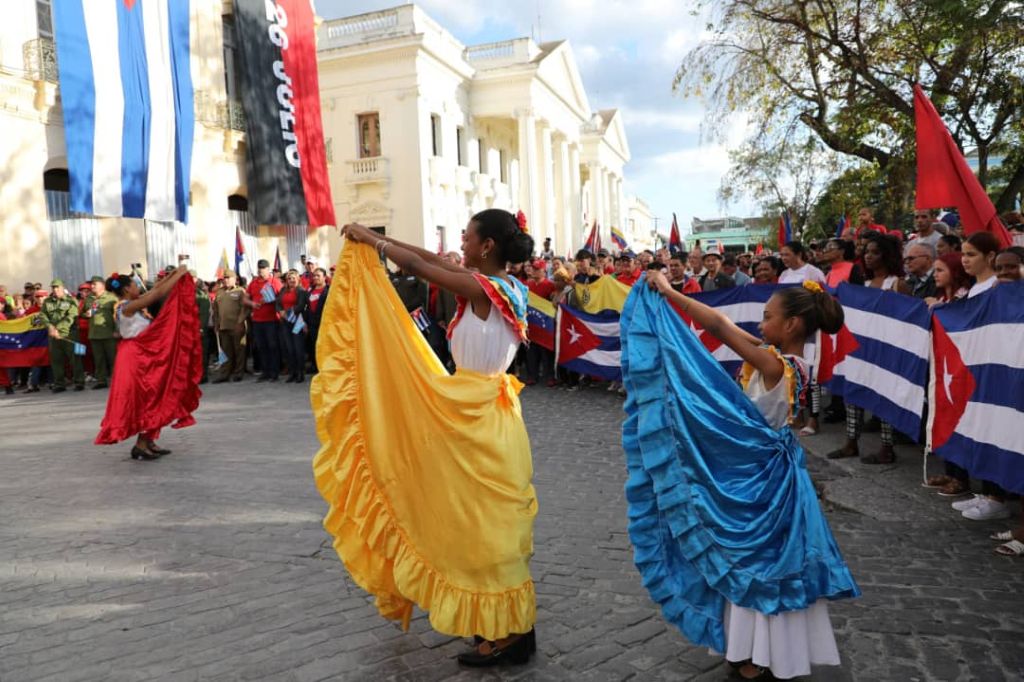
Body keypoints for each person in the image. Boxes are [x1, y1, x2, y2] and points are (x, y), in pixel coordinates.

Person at [315, 211, 537, 668]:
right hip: (481, 412)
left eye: (468, 236)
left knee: (484, 523)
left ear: (487, 246)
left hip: (477, 416)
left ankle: (510, 633)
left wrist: (373, 241)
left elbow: (420, 267)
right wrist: (377, 240)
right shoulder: (504, 285)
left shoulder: (485, 289)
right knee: (476, 519)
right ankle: (506, 624)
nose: (462, 242)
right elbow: (431, 259)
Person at [628, 273, 859, 681]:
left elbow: (719, 327)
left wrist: (668, 291)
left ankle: (759, 654)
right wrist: (671, 296)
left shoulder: (777, 365)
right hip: (766, 474)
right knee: (754, 558)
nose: (760, 323)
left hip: (762, 480)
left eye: (768, 317)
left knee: (756, 561)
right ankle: (752, 648)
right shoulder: (776, 357)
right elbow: (724, 325)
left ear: (792, 325)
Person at [95, 265, 202, 460]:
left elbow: (155, 289)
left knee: (157, 396)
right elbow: (155, 294)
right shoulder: (126, 307)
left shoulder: (132, 303)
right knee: (148, 399)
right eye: (135, 284)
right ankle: (141, 445)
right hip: (136, 358)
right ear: (127, 289)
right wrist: (178, 275)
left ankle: (149, 440)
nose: (138, 287)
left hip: (142, 355)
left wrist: (171, 276)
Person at [828, 233, 909, 465]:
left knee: (883, 397)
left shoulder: (897, 284)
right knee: (853, 393)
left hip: (885, 350)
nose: (868, 256)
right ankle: (851, 442)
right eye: (866, 252)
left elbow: (906, 320)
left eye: (875, 252)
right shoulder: (861, 286)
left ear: (887, 255)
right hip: (861, 348)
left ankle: (887, 447)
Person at [39, 279, 85, 393]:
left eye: (57, 287)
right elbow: (43, 315)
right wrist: (50, 326)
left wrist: (57, 328)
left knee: (75, 359)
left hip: (69, 334)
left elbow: (71, 316)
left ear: (62, 287)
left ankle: (79, 382)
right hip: (53, 336)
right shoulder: (47, 302)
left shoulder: (70, 301)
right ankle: (59, 383)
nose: (55, 290)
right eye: (53, 287)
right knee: (56, 360)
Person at [246, 259, 283, 382]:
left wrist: (271, 298)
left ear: (268, 269)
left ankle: (274, 372)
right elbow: (245, 298)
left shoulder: (275, 281)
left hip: (271, 319)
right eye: (259, 268)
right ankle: (265, 372)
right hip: (257, 320)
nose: (261, 270)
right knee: (261, 347)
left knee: (272, 346)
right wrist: (252, 304)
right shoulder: (253, 283)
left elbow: (282, 297)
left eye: (263, 268)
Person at [212, 270, 249, 383]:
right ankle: (224, 374)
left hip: (236, 326)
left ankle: (238, 373)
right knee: (225, 351)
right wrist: (216, 323)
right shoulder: (219, 292)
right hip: (223, 326)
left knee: (239, 350)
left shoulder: (240, 291)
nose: (226, 280)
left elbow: (245, 309)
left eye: (228, 278)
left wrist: (240, 322)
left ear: (234, 279)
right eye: (225, 278)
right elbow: (215, 310)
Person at [84, 276, 118, 389]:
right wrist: (86, 314)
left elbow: (117, 315)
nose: (92, 286)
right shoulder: (89, 298)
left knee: (113, 359)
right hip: (94, 334)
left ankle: (117, 380)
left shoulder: (111, 298)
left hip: (109, 334)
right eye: (91, 284)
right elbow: (83, 313)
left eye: (95, 284)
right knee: (99, 360)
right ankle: (101, 380)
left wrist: (117, 330)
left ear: (102, 285)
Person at [276, 269, 309, 384]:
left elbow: (301, 305)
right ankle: (293, 373)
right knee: (289, 348)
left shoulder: (301, 291)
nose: (291, 280)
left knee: (298, 348)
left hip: (297, 322)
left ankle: (300, 373)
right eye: (289, 278)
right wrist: (280, 311)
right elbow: (278, 303)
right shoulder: (283, 290)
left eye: (293, 278)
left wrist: (287, 312)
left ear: (298, 279)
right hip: (286, 322)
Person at [305, 267, 330, 375]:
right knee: (314, 346)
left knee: (325, 346)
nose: (315, 277)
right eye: (314, 276)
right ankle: (316, 366)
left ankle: (325, 368)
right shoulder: (310, 291)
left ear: (324, 277)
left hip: (325, 324)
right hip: (312, 324)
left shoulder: (329, 291)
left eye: (318, 275)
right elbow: (306, 307)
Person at [962, 232, 1000, 298]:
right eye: (963, 255)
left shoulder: (998, 285)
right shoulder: (974, 288)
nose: (964, 260)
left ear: (990, 256)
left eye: (971, 255)